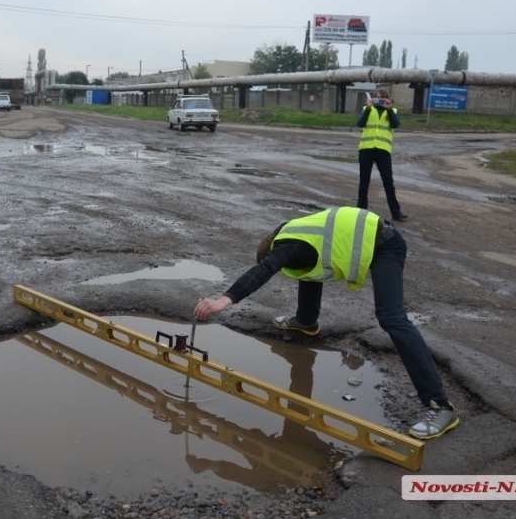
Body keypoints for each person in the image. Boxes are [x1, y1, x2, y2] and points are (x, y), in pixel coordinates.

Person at [193, 206, 459, 440]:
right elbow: (314, 263)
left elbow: (264, 270)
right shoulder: (295, 234)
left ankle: (440, 406)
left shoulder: (289, 246)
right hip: (374, 234)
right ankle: (305, 321)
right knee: (310, 271)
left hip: (385, 244)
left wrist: (224, 300)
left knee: (391, 318)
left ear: (276, 250)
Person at [356, 89, 409, 221]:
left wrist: (389, 109)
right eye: (376, 98)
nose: (379, 101)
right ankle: (361, 210)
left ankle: (396, 213)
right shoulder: (367, 109)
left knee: (388, 182)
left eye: (382, 98)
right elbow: (360, 123)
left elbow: (396, 125)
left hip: (383, 151)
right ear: (373, 99)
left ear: (387, 99)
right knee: (364, 181)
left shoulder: (393, 111)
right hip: (367, 149)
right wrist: (368, 108)